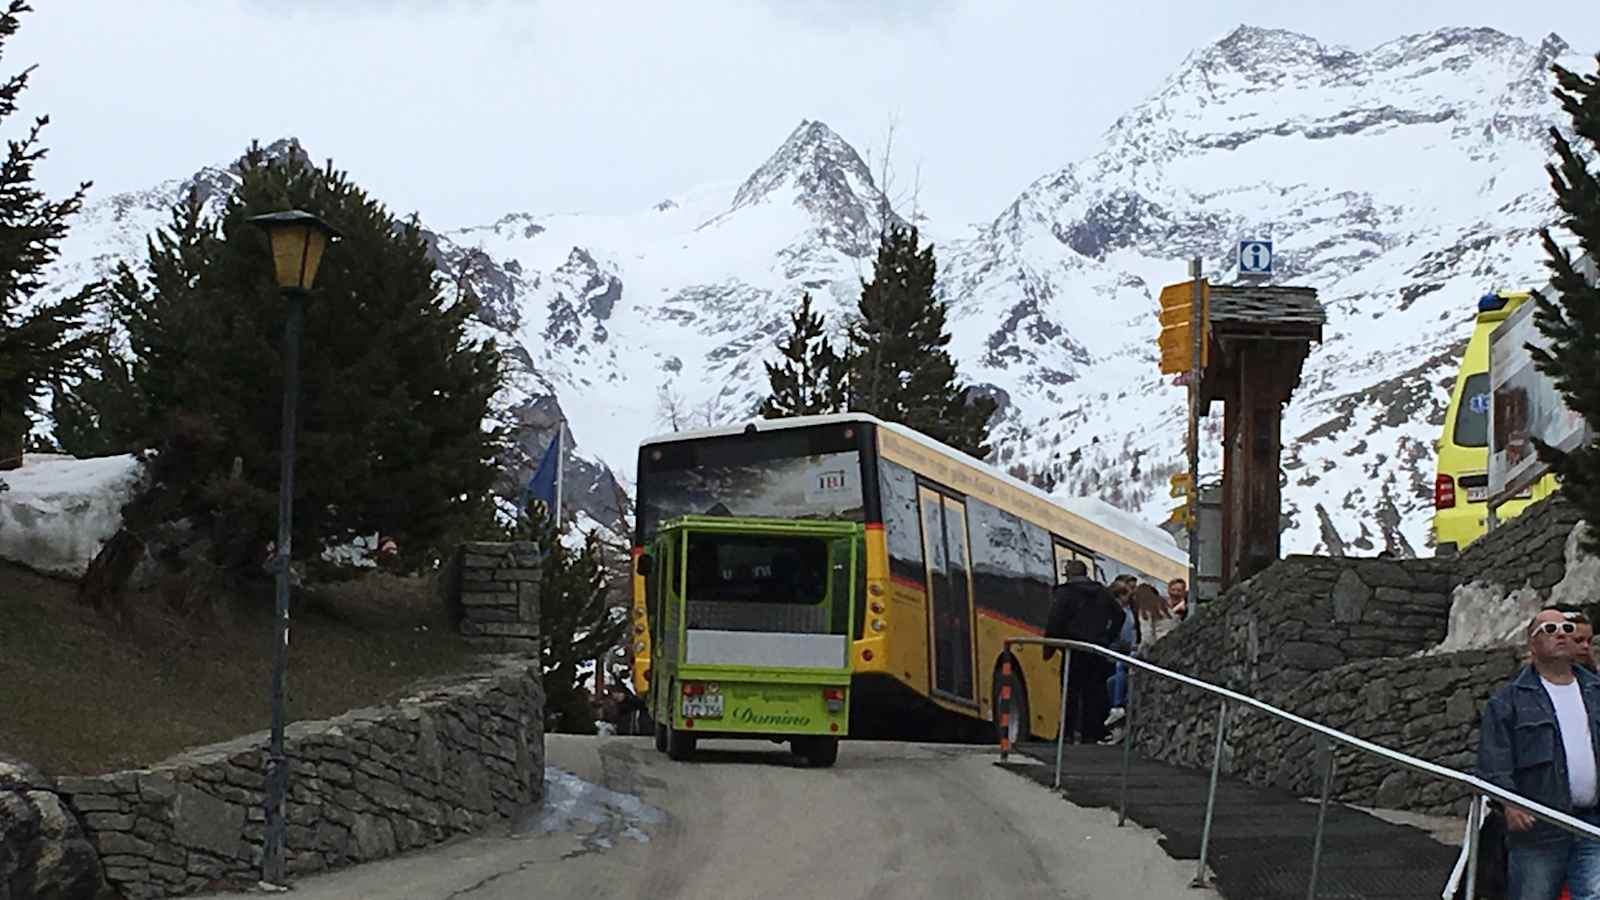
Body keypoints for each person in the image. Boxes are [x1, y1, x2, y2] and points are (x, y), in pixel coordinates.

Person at [1476, 606, 1600, 898]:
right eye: (1548, 629)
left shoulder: (1595, 691)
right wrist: (1510, 803)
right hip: (1538, 830)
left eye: (1566, 629)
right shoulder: (1507, 702)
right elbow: (1494, 761)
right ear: (1532, 644)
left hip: (1593, 823)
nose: (1560, 634)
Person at [1043, 560, 1124, 744]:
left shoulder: (1065, 594)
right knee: (1093, 692)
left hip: (1073, 648)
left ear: (1068, 574)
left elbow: (1054, 621)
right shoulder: (1102, 592)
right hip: (1096, 649)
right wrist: (1107, 637)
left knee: (1069, 693)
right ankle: (1091, 733)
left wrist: (1049, 647)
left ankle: (1066, 733)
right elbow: (1119, 615)